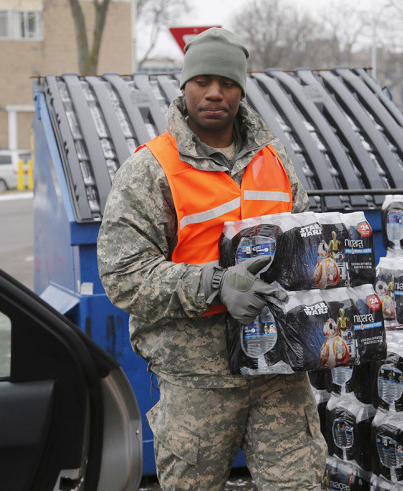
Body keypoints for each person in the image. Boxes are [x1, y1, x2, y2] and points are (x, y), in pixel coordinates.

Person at [97, 27, 326, 490]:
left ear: (242, 88)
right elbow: (122, 275)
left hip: (279, 372)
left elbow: (304, 238)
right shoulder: (151, 170)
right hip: (198, 383)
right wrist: (217, 284)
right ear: (184, 86)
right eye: (202, 80)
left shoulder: (274, 158)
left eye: (227, 82)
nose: (215, 93)